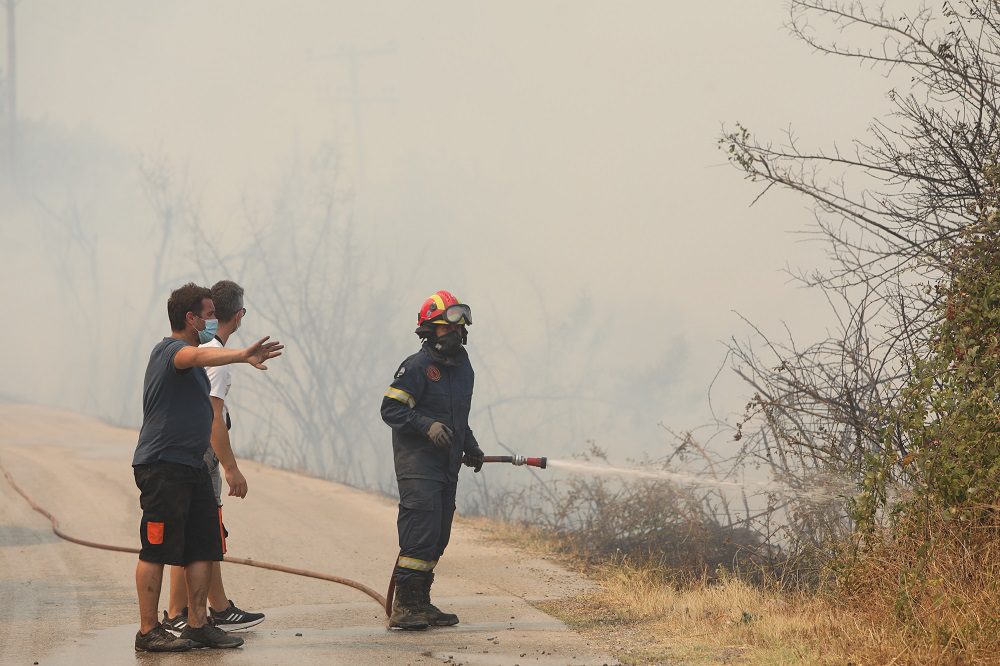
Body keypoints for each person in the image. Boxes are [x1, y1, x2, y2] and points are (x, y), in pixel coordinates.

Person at [132, 283, 282, 652]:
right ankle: (148, 631)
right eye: (210, 314)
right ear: (190, 317)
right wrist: (239, 355)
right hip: (163, 467)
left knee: (203, 547)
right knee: (157, 548)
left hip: (194, 466)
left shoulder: (196, 357)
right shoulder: (171, 351)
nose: (214, 321)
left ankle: (198, 624)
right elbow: (193, 358)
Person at [162, 280, 266, 634]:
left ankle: (217, 607)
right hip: (200, 457)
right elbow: (213, 416)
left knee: (207, 533)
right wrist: (231, 467)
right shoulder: (216, 358)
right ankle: (179, 612)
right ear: (238, 316)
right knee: (197, 534)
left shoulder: (196, 348)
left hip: (185, 452)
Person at [380, 290, 485, 630]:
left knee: (438, 536)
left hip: (447, 466)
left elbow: (457, 416)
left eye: (456, 328)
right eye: (445, 328)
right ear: (429, 330)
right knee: (420, 534)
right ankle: (404, 607)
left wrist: (470, 445)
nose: (453, 333)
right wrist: (426, 426)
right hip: (419, 466)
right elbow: (391, 409)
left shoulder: (463, 367)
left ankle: (421, 602)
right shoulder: (417, 366)